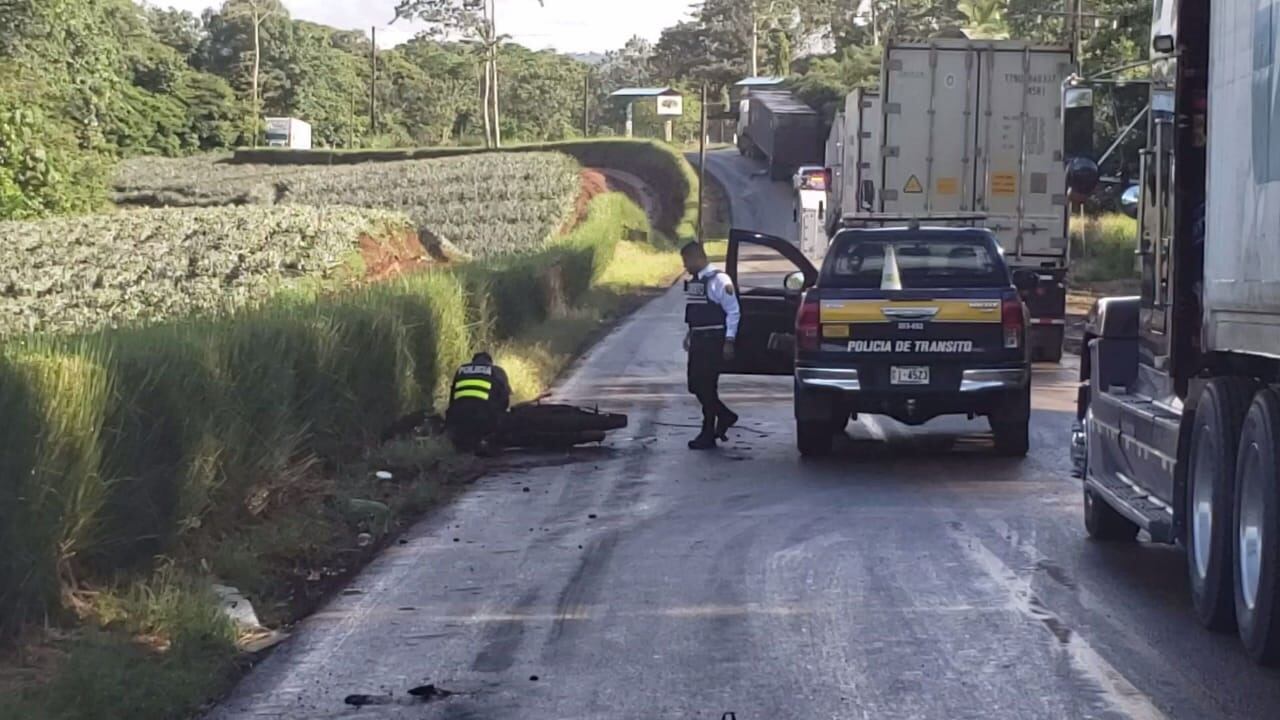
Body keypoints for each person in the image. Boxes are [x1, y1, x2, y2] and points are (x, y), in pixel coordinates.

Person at [681, 242, 741, 450]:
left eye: (687, 261)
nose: (685, 266)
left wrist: (729, 341)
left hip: (713, 339)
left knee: (706, 386)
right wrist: (690, 333)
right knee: (695, 385)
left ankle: (708, 433)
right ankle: (724, 415)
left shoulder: (719, 280)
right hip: (698, 339)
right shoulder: (697, 282)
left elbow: (733, 312)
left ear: (698, 258)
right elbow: (696, 311)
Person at [445, 352, 511, 454]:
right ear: (490, 362)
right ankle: (486, 441)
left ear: (473, 361)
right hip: (484, 421)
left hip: (459, 421)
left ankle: (464, 441)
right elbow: (505, 401)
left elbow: (452, 400)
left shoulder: (461, 370)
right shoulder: (496, 371)